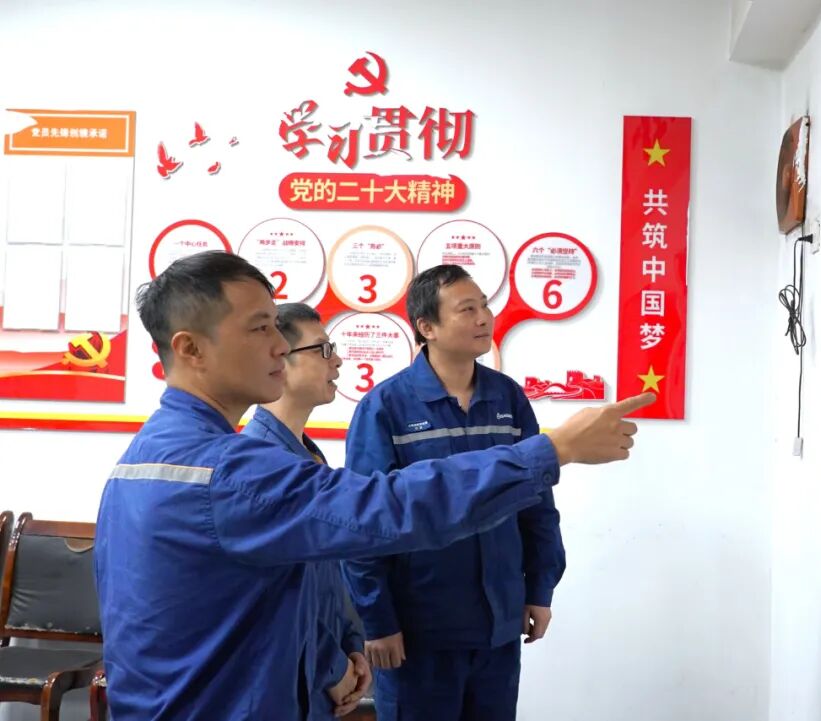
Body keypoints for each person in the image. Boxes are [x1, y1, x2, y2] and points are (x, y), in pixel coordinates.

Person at [94, 251, 653, 721]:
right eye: (260, 328)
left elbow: (274, 597)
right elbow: (384, 507)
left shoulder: (144, 458)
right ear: (191, 348)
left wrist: (332, 660)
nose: (279, 346)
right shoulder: (229, 471)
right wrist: (553, 450)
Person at [343, 265, 566, 721]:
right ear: (427, 327)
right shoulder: (385, 407)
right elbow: (362, 523)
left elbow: (537, 503)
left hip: (497, 628)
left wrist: (540, 588)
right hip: (418, 633)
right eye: (467, 309)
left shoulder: (507, 398)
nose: (484, 317)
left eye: (484, 305)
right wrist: (379, 621)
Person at [240, 302, 371, 719]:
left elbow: (325, 578)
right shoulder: (260, 463)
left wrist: (351, 645)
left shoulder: (307, 456)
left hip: (319, 674)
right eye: (323, 349)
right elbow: (272, 603)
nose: (338, 360)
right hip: (286, 682)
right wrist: (333, 667)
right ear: (281, 358)